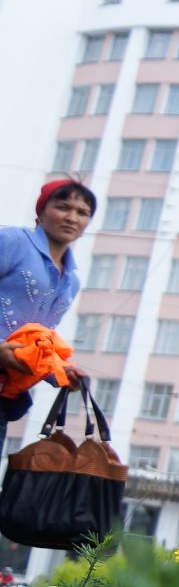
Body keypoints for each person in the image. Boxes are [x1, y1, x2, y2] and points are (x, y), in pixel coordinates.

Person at [0, 178, 94, 446]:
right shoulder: (13, 241)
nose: (72, 217)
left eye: (82, 212)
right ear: (41, 212)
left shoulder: (71, 281)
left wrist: (62, 372)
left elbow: (38, 344)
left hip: (5, 394)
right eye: (63, 207)